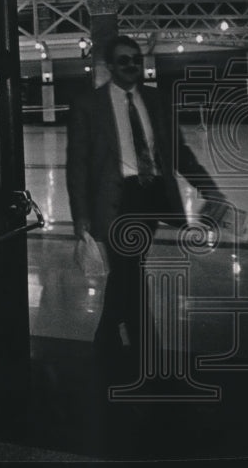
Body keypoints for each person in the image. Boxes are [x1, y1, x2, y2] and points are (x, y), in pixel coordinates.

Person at [66, 35, 222, 360]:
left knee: (128, 270)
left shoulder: (156, 100)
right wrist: (81, 216)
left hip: (150, 196)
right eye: (124, 60)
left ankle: (106, 332)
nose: (132, 65)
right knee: (131, 272)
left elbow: (179, 152)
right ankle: (145, 347)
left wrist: (209, 189)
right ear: (109, 66)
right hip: (116, 200)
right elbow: (77, 165)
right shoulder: (89, 104)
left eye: (136, 59)